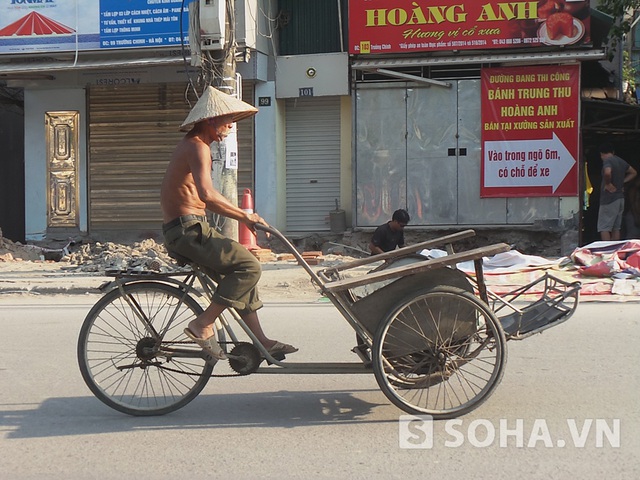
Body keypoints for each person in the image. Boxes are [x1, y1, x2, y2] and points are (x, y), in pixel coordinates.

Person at [161, 86, 298, 362]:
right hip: (189, 231)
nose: (229, 127)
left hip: (189, 228)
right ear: (210, 120)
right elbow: (207, 195)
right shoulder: (198, 147)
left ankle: (262, 341)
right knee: (249, 266)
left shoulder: (195, 145)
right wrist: (245, 215)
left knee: (242, 273)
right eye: (227, 121)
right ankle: (202, 323)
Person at [597, 143, 637, 241]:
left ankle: (607, 252)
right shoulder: (620, 161)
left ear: (601, 154)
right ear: (613, 152)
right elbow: (633, 172)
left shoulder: (607, 161)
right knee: (616, 227)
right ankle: (615, 250)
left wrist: (608, 183)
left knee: (604, 228)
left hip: (609, 199)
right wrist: (622, 182)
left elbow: (607, 172)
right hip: (620, 198)